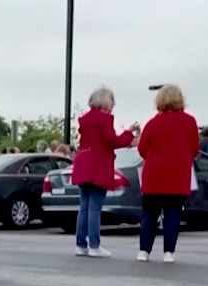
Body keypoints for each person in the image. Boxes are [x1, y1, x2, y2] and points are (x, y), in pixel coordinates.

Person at [71, 87, 138, 258]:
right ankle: (94, 245)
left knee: (84, 206)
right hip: (97, 165)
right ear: (105, 101)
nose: (113, 105)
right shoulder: (103, 119)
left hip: (83, 162)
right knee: (95, 206)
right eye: (111, 101)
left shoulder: (85, 120)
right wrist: (129, 133)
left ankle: (81, 244)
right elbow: (112, 141)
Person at [136, 85, 199, 263]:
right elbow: (194, 149)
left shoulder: (153, 123)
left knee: (149, 214)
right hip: (178, 175)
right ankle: (168, 252)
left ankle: (144, 251)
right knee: (173, 213)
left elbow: (142, 150)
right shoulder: (190, 122)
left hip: (153, 175)